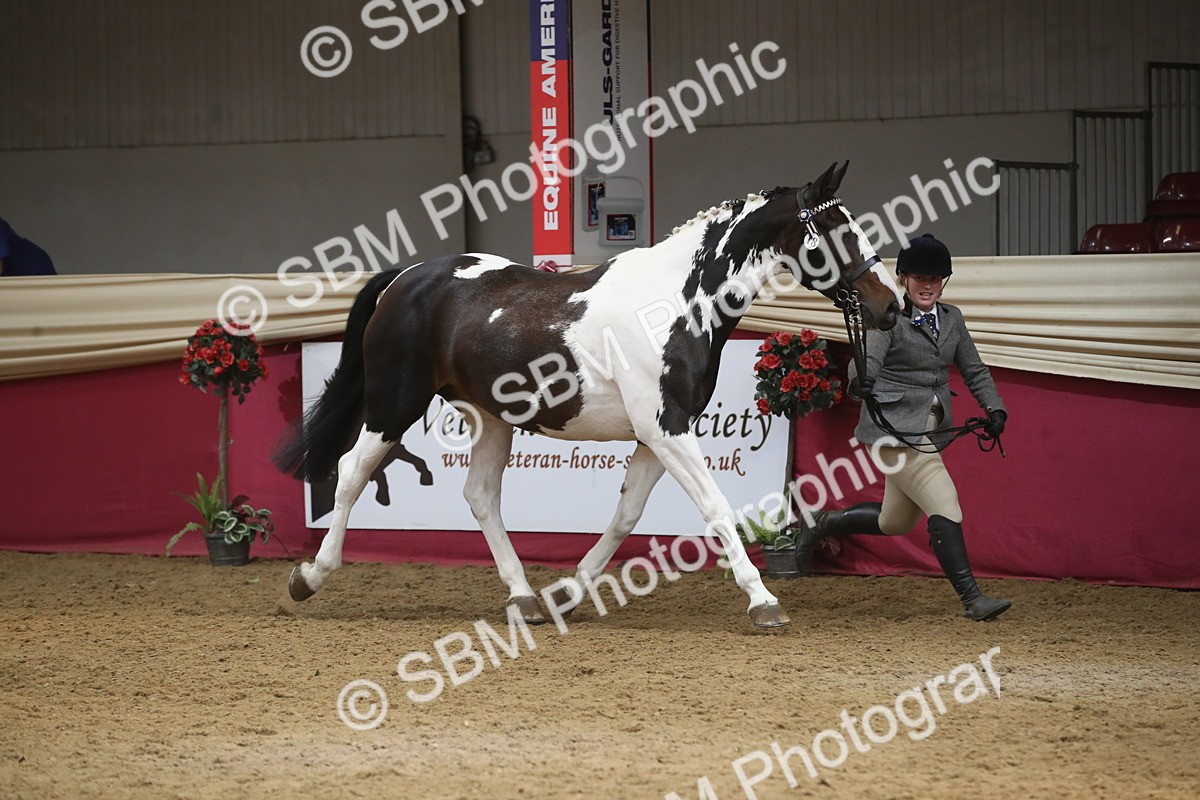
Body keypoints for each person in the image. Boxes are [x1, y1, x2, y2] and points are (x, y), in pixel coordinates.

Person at [794, 233, 1011, 621]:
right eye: (918, 278)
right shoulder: (887, 316)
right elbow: (868, 360)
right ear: (904, 279)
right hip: (891, 429)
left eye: (935, 278)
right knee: (944, 501)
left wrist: (994, 407)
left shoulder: (953, 319)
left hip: (929, 427)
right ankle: (972, 598)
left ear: (944, 281)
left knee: (895, 521)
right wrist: (861, 380)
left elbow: (974, 369)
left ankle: (820, 522)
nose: (927, 285)